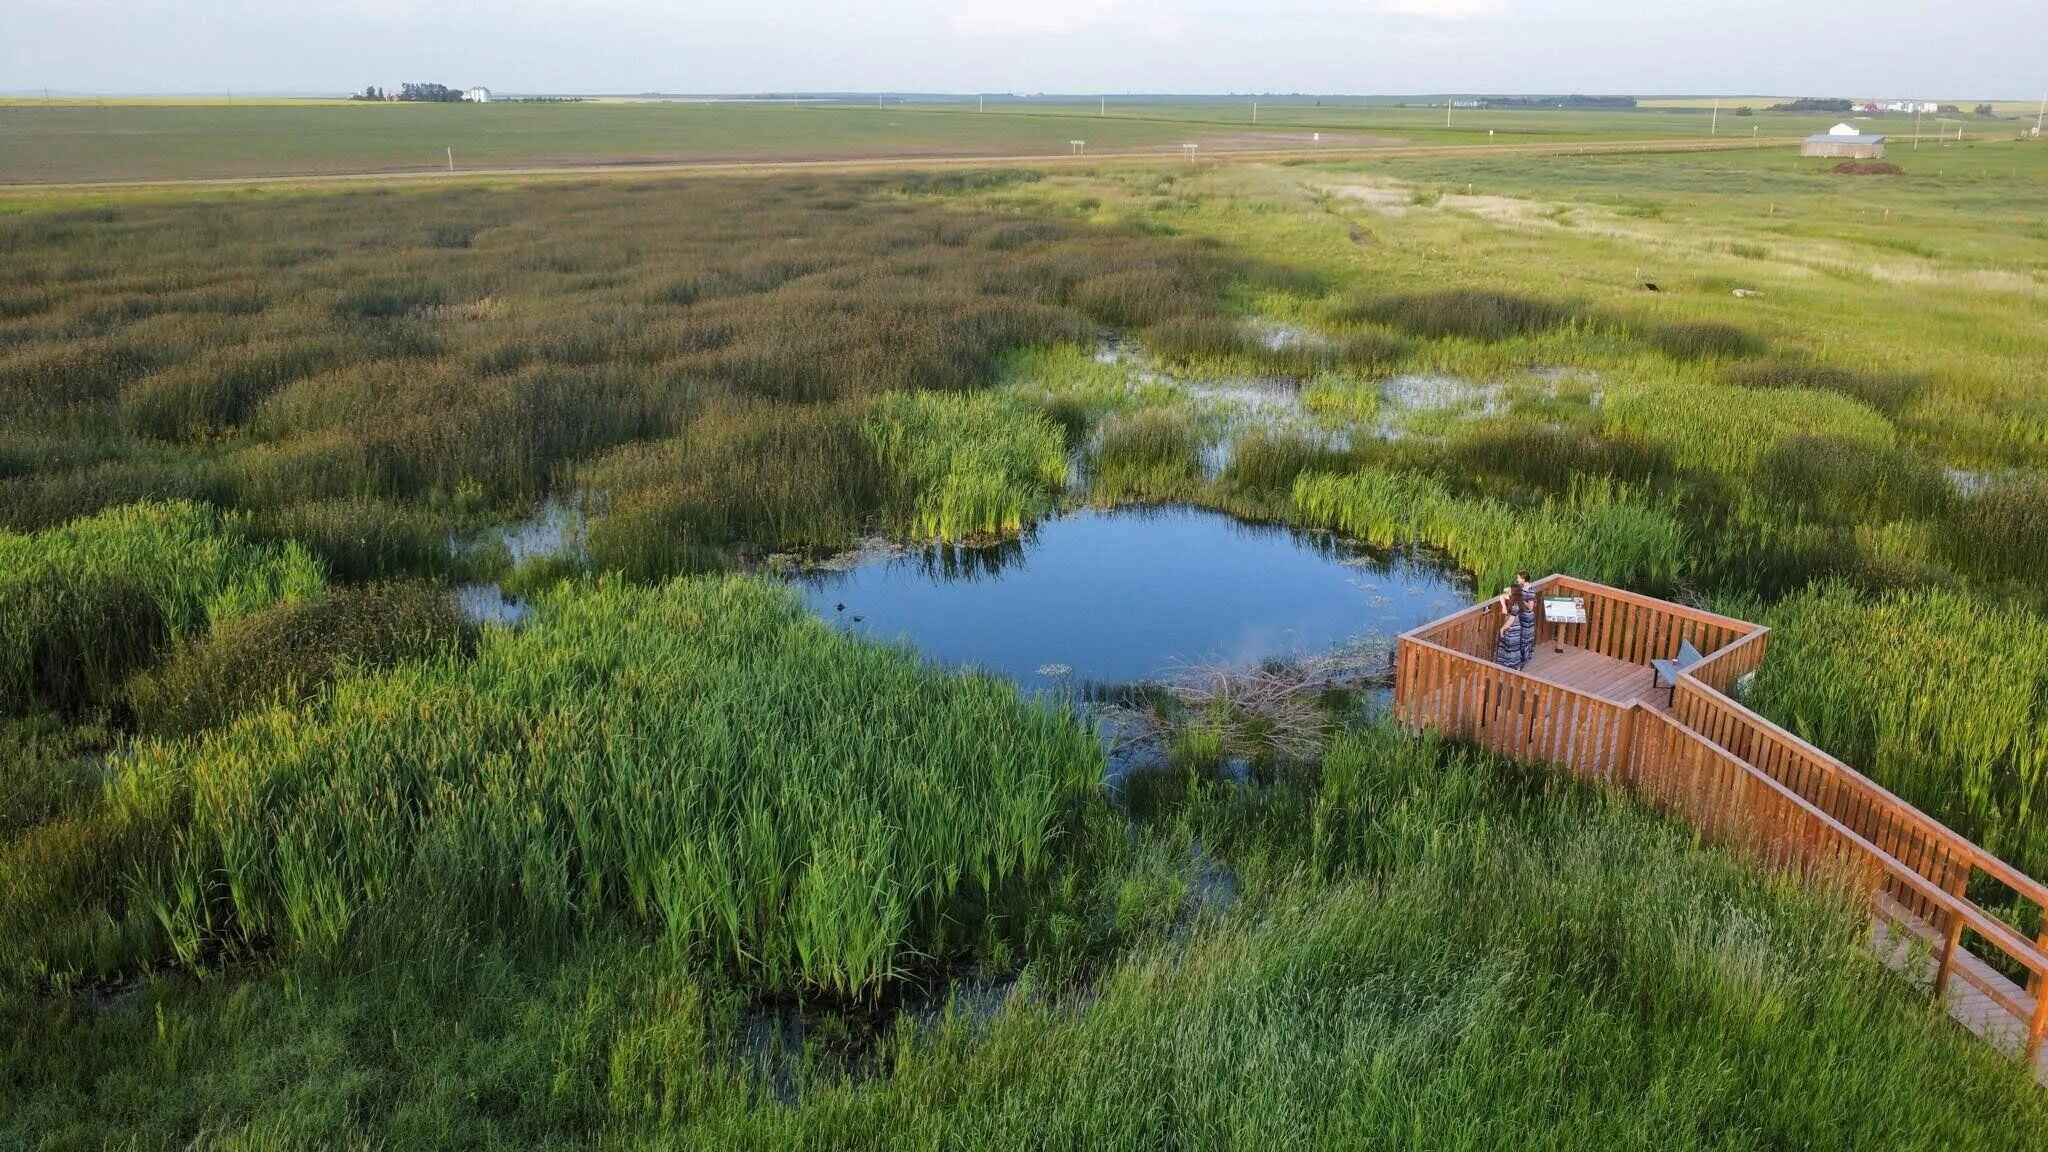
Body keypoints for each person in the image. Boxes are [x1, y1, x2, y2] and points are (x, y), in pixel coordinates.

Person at [1494, 585, 1528, 670]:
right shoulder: (1516, 599)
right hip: (1515, 627)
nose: (1508, 590)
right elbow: (1502, 595)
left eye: (1510, 590)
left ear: (1513, 593)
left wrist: (1502, 629)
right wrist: (1504, 606)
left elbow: (1511, 620)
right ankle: (1512, 665)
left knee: (1511, 647)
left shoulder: (1515, 605)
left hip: (1512, 628)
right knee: (1512, 647)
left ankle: (1512, 666)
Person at [1514, 572, 1537, 666]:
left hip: (1527, 617)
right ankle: (1522, 657)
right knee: (1521, 636)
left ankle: (1525, 658)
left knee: (1525, 637)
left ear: (1524, 579)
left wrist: (1521, 599)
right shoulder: (1522, 587)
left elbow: (1531, 607)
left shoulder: (1530, 590)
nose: (1517, 580)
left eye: (1519, 578)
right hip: (1522, 615)